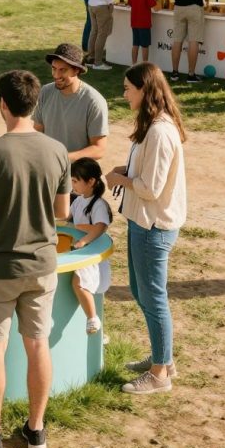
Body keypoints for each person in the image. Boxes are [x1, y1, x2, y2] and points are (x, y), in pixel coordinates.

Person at [0, 70, 70, 448]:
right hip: (42, 264)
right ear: (34, 103)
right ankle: (36, 430)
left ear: (3, 105)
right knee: (38, 345)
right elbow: (62, 211)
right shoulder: (57, 150)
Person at [105, 63, 186, 395]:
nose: (124, 94)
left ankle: (160, 374)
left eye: (128, 88)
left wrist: (119, 178)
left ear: (145, 90)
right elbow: (148, 172)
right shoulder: (151, 126)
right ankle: (162, 358)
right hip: (142, 221)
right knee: (142, 293)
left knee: (153, 297)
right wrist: (126, 170)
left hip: (153, 226)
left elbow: (151, 188)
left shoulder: (159, 132)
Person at [32, 43, 109, 163]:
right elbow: (37, 130)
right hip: (48, 166)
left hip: (76, 172)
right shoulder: (46, 92)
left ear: (76, 70)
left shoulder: (94, 102)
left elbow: (99, 149)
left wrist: (63, 159)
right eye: (54, 68)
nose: (56, 75)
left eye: (62, 70)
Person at [68, 157, 112, 334]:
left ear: (91, 181)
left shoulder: (99, 205)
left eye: (75, 181)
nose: (72, 184)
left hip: (91, 256)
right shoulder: (79, 201)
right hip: (80, 252)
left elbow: (100, 227)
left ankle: (92, 318)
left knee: (79, 283)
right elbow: (66, 218)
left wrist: (83, 241)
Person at [128, 0, 157, 65]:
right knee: (145, 46)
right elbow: (155, 8)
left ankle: (133, 64)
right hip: (144, 24)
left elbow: (130, 3)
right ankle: (144, 66)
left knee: (135, 44)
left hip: (134, 22)